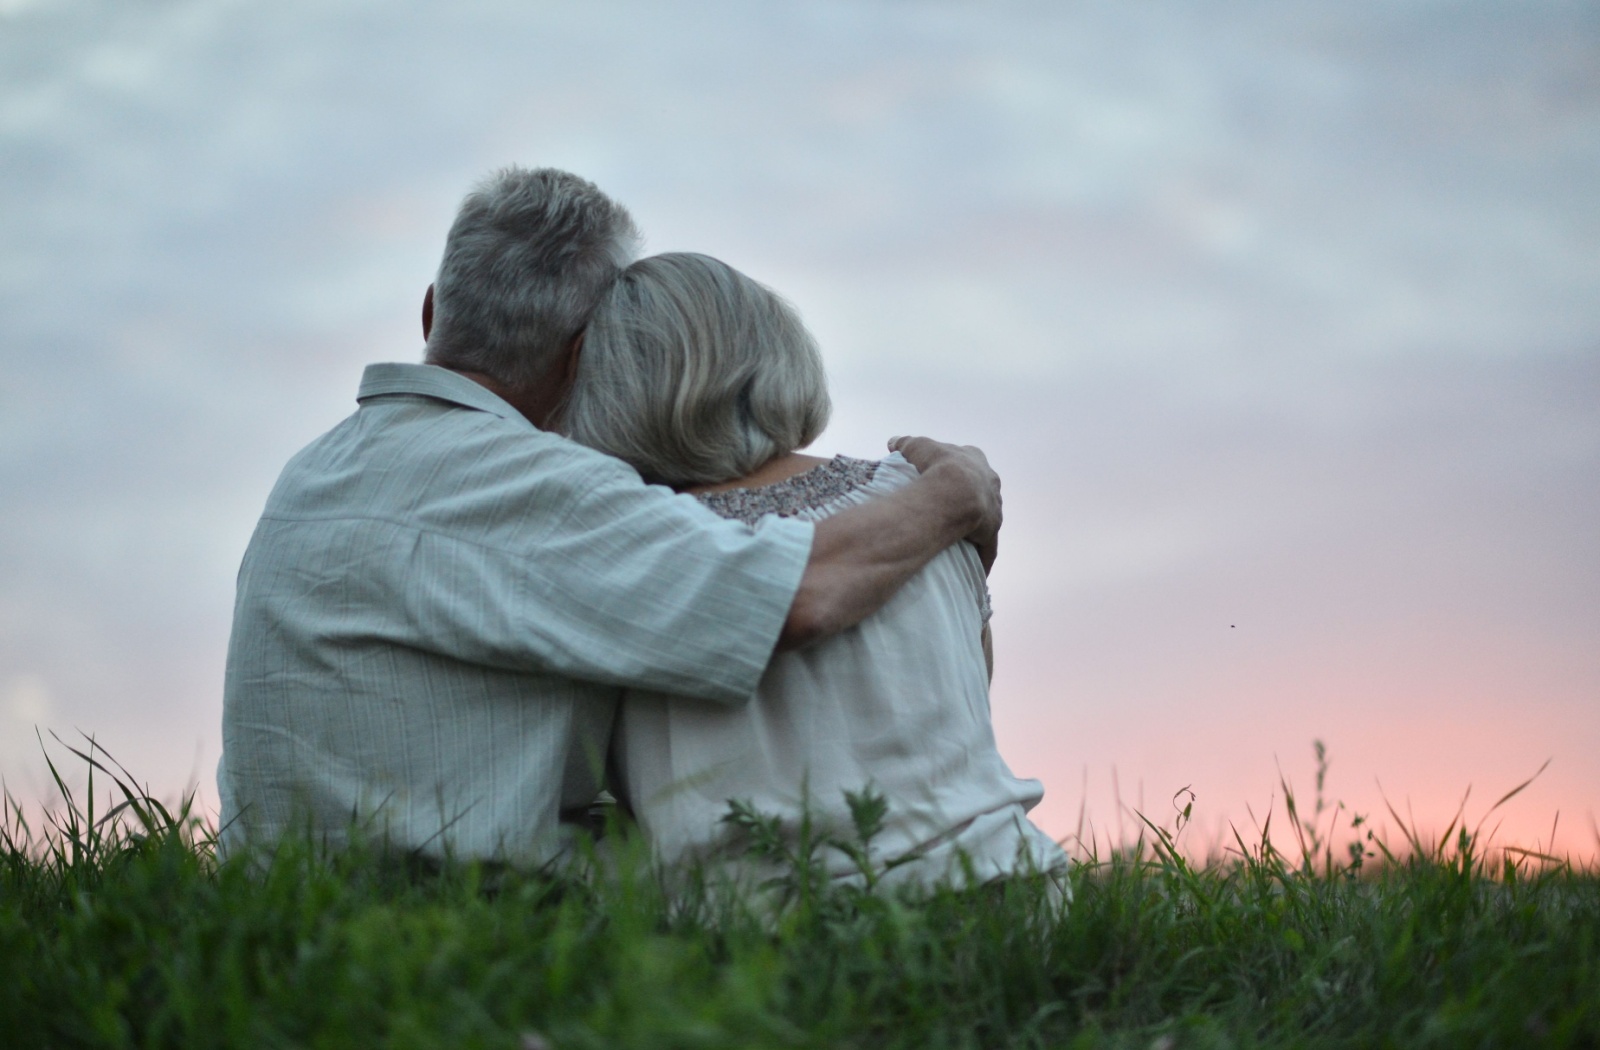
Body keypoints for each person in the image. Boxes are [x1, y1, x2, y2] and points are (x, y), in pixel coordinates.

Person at [216, 167, 1005, 866]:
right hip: (448, 934)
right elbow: (798, 595)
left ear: (431, 314)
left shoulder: (310, 474)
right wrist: (955, 494)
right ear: (589, 353)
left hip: (283, 920)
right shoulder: (526, 482)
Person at [562, 252, 1066, 889]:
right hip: (1007, 898)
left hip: (771, 944)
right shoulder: (922, 490)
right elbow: (966, 706)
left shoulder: (630, 547)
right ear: (777, 355)